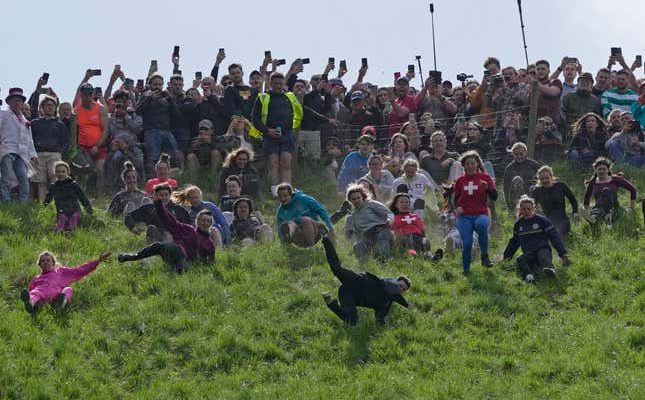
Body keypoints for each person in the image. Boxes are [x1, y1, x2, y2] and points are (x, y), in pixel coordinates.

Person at [321, 237, 410, 325]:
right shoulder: (387, 283)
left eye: (403, 289)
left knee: (352, 321)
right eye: (400, 285)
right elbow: (394, 289)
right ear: (396, 280)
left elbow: (380, 318)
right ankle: (326, 240)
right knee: (337, 269)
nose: (400, 288)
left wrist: (382, 324)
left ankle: (331, 303)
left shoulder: (386, 303)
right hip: (356, 282)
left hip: (349, 295)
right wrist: (406, 304)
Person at [118, 198, 215, 274]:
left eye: (208, 221)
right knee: (160, 246)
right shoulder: (188, 229)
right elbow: (170, 221)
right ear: (197, 221)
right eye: (203, 220)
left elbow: (210, 263)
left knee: (183, 266)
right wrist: (159, 205)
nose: (205, 223)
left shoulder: (210, 244)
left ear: (210, 224)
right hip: (175, 251)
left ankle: (176, 274)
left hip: (187, 262)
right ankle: (133, 256)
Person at [252, 72, 303, 195]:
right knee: (273, 162)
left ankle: (288, 190)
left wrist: (292, 127)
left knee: (286, 161)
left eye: (281, 83)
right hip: (270, 134)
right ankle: (275, 190)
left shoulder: (290, 96)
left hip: (287, 133)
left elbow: (299, 113)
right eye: (276, 83)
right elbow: (255, 118)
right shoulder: (263, 97)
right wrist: (267, 130)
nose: (278, 86)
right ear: (270, 83)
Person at [503, 196, 571, 284]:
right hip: (529, 253)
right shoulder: (518, 224)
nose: (526, 211)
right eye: (523, 209)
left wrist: (563, 254)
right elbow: (514, 242)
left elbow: (554, 237)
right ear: (520, 210)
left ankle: (550, 270)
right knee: (520, 259)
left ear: (533, 209)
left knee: (542, 255)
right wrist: (506, 258)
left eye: (528, 209)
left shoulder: (542, 220)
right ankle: (529, 277)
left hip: (543, 250)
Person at [20, 251, 111, 314]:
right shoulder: (37, 278)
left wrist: (97, 261)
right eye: (43, 261)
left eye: (48, 260)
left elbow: (80, 270)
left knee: (68, 289)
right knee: (35, 293)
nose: (45, 262)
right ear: (39, 265)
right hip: (41, 294)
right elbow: (31, 289)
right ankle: (31, 304)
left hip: (55, 296)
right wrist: (29, 297)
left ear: (53, 263)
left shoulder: (61, 272)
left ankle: (60, 306)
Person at [452, 151, 498, 273]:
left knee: (482, 225)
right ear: (464, 166)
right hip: (464, 216)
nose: (470, 166)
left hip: (480, 213)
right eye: (467, 164)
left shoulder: (485, 178)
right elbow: (455, 198)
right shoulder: (460, 181)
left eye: (472, 163)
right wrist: (458, 207)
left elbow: (494, 196)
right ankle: (466, 270)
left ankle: (485, 256)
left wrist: (487, 189)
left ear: (477, 164)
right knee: (467, 243)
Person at [135, 74, 180, 177]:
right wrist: (149, 98)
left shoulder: (166, 97)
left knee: (173, 156)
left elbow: (177, 114)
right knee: (152, 158)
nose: (157, 87)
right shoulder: (145, 96)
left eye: (160, 84)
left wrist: (170, 99)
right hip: (151, 131)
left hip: (167, 131)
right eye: (155, 84)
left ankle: (173, 181)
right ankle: (151, 181)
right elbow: (138, 111)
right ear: (150, 85)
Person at [70, 83, 110, 194]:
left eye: (89, 94)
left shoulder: (100, 108)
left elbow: (105, 129)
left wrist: (98, 145)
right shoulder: (76, 111)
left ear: (92, 94)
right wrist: (75, 148)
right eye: (84, 95)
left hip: (99, 145)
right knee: (86, 172)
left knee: (100, 170)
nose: (87, 97)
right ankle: (85, 195)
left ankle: (100, 195)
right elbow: (73, 132)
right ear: (81, 95)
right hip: (83, 147)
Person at [0, 87, 38, 202]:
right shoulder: (3, 115)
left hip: (21, 153)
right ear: (9, 102)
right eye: (15, 100)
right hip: (7, 149)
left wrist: (33, 155)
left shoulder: (26, 121)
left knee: (23, 178)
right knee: (6, 177)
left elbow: (29, 140)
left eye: (20, 101)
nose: (17, 103)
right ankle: (5, 201)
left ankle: (23, 203)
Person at [30, 95, 71, 201]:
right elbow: (30, 139)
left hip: (54, 154)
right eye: (47, 105)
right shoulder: (35, 123)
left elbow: (66, 141)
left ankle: (56, 203)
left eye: (52, 105)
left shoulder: (60, 124)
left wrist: (61, 153)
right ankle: (42, 205)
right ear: (42, 107)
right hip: (38, 154)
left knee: (55, 179)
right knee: (40, 182)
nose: (50, 107)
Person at [125, 183, 191, 243]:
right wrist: (132, 227)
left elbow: (189, 225)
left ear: (170, 195)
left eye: (166, 195)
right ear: (155, 196)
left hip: (174, 237)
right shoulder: (148, 209)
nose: (164, 198)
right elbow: (129, 216)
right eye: (161, 195)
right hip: (155, 236)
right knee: (152, 228)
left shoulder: (178, 209)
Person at [343, 184, 394, 262]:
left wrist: (389, 220)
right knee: (357, 246)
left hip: (381, 230)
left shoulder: (371, 204)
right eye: (353, 199)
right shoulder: (351, 216)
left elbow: (389, 213)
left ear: (363, 197)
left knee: (381, 240)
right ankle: (364, 265)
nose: (356, 200)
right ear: (350, 200)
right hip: (367, 236)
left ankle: (383, 260)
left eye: (358, 198)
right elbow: (350, 235)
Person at [582, 157, 637, 226]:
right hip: (599, 207)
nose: (601, 171)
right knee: (597, 211)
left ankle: (605, 216)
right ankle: (594, 219)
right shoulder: (593, 182)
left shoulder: (615, 179)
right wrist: (585, 209)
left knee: (606, 191)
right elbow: (587, 197)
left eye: (604, 169)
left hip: (614, 207)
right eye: (599, 169)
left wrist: (632, 207)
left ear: (608, 170)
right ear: (595, 170)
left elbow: (633, 189)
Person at [276, 183, 333, 247]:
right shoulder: (280, 211)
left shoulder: (304, 199)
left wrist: (330, 228)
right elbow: (279, 229)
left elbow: (321, 210)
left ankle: (312, 247)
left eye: (285, 196)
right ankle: (291, 248)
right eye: (280, 197)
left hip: (313, 231)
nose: (283, 199)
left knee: (305, 220)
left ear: (291, 194)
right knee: (287, 224)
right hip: (298, 235)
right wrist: (283, 244)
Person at [529, 166, 579, 239]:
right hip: (547, 219)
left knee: (556, 233)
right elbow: (531, 207)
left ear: (551, 177)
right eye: (542, 179)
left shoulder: (561, 186)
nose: (545, 181)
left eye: (546, 178)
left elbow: (572, 199)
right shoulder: (537, 191)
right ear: (539, 179)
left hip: (562, 219)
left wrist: (575, 212)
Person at [390, 192, 443, 260]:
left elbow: (422, 229)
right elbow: (393, 230)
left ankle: (431, 257)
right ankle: (413, 256)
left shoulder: (415, 216)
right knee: (409, 239)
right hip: (404, 238)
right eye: (401, 202)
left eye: (407, 202)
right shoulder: (394, 217)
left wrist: (423, 238)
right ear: (396, 205)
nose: (404, 204)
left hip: (417, 237)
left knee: (425, 241)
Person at [44, 161, 93, 233]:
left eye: (63, 172)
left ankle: (71, 231)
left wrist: (89, 210)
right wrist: (43, 207)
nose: (61, 174)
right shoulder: (53, 186)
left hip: (75, 211)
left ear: (68, 172)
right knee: (61, 220)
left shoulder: (73, 184)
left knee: (73, 219)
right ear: (55, 173)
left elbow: (83, 197)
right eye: (58, 172)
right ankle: (60, 232)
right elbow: (48, 199)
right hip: (62, 212)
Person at [503, 142, 540, 209]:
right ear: (513, 154)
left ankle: (537, 206)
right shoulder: (509, 168)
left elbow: (541, 179)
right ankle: (518, 207)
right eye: (516, 154)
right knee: (517, 179)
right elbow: (506, 188)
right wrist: (508, 205)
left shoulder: (533, 164)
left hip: (531, 193)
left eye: (521, 154)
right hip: (517, 197)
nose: (519, 156)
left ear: (525, 152)